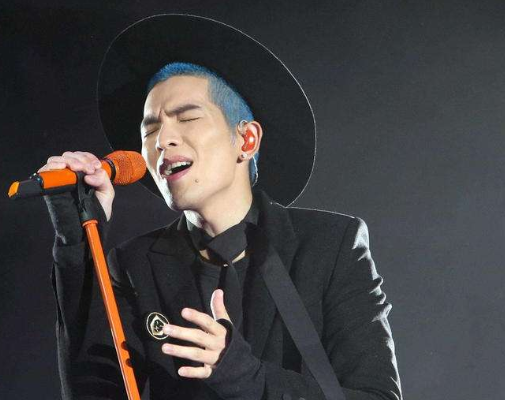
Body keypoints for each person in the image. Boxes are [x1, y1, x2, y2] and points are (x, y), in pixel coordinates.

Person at [39, 14, 402, 400]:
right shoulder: (134, 264)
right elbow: (95, 389)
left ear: (246, 140)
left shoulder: (330, 246)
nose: (163, 140)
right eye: (150, 129)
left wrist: (246, 376)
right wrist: (78, 244)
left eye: (187, 118)